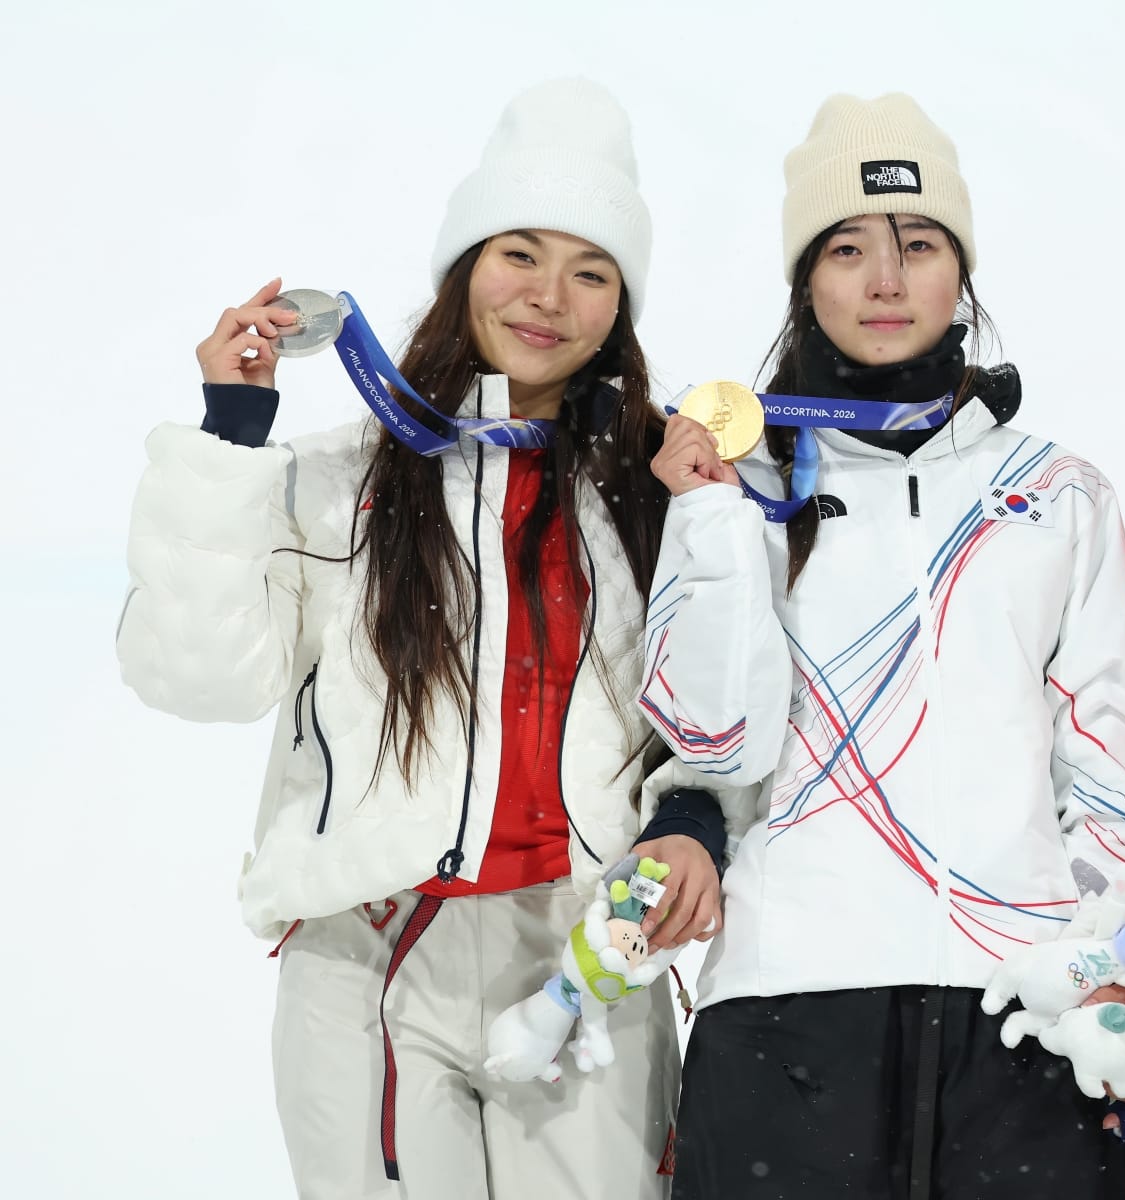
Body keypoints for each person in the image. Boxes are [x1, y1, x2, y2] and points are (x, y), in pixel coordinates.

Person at [117, 79, 725, 1199]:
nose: (548, 297)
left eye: (591, 272)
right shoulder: (340, 481)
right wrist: (232, 437)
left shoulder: (656, 497)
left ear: (621, 307)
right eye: (519, 254)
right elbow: (197, 676)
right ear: (463, 267)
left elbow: (718, 717)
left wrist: (691, 823)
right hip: (370, 955)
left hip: (587, 954)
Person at [637, 93, 1125, 1199]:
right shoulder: (742, 484)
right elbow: (710, 740)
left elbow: (1106, 757)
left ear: (960, 273)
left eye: (918, 244)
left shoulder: (1058, 492)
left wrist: (1113, 958)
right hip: (787, 1012)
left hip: (1019, 1008)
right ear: (807, 280)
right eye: (847, 249)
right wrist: (711, 519)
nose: (885, 280)